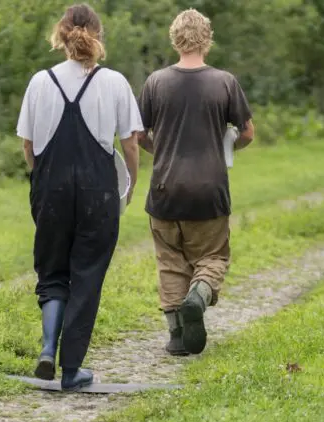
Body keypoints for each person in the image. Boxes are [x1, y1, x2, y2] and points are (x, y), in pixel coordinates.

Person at [18, 3, 142, 391]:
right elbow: (131, 143)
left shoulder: (41, 82)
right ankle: (71, 369)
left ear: (60, 34)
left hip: (51, 189)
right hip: (97, 194)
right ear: (99, 35)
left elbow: (28, 145)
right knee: (87, 275)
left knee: (52, 270)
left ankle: (45, 349)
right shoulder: (115, 82)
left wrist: (42, 180)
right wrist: (132, 181)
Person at [136, 9, 254, 357]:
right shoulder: (224, 82)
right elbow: (247, 132)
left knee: (170, 260)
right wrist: (229, 146)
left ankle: (175, 336)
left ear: (175, 39)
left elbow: (139, 134)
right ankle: (199, 294)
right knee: (213, 255)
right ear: (207, 39)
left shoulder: (156, 82)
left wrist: (160, 151)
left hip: (165, 188)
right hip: (209, 189)